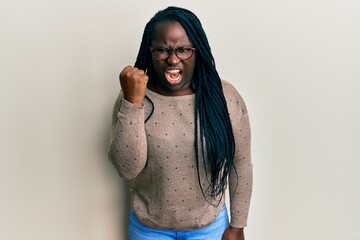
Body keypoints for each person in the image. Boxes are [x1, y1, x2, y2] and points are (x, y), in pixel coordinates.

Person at [108, 6, 253, 240]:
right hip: (149, 230)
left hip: (210, 228)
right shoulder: (133, 96)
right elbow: (126, 169)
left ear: (197, 51)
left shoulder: (224, 97)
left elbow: (241, 163)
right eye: (163, 50)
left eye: (184, 50)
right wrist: (133, 103)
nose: (173, 59)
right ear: (150, 51)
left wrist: (238, 225)